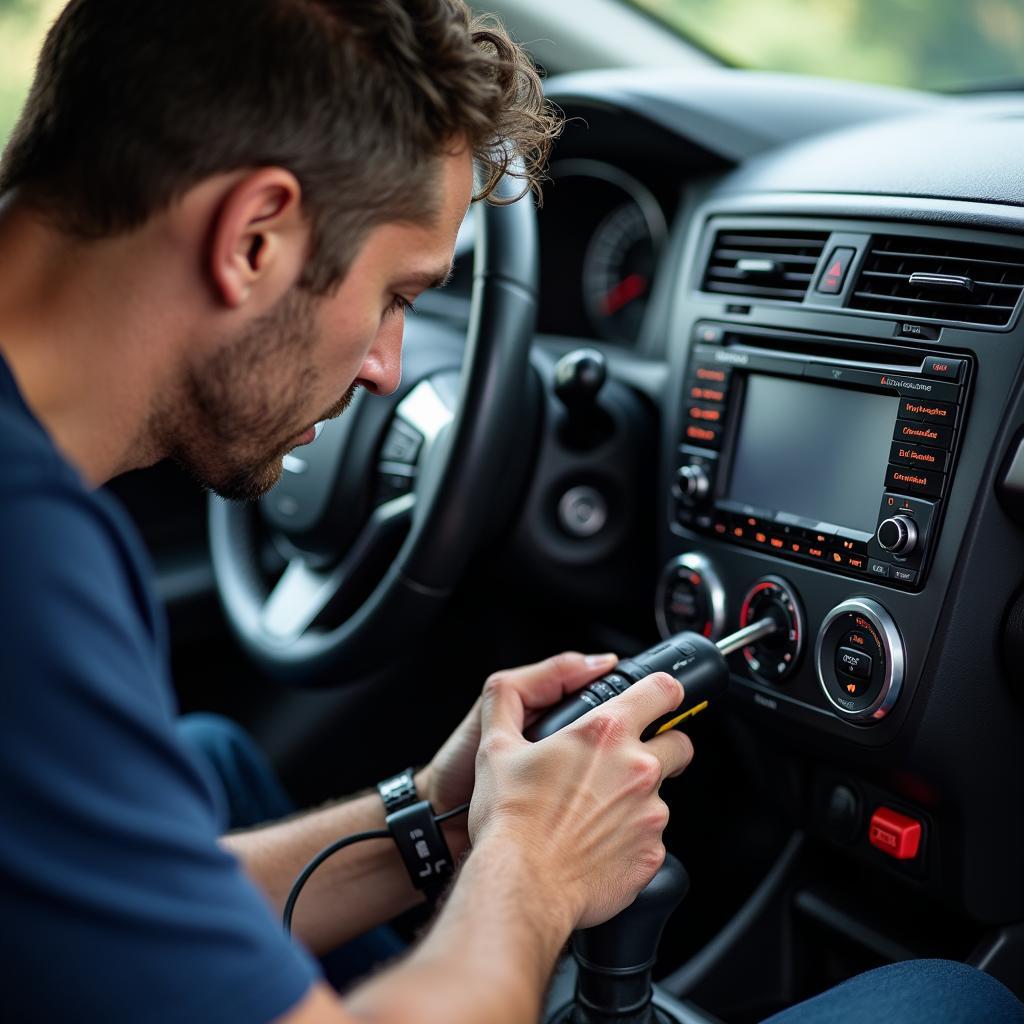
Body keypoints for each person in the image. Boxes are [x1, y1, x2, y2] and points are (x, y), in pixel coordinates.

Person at [0, 3, 1020, 1023]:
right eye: (398, 294)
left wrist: (446, 822)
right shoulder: (30, 569)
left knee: (215, 760)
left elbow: (114, 928)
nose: (386, 369)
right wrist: (536, 867)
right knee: (948, 1001)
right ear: (255, 237)